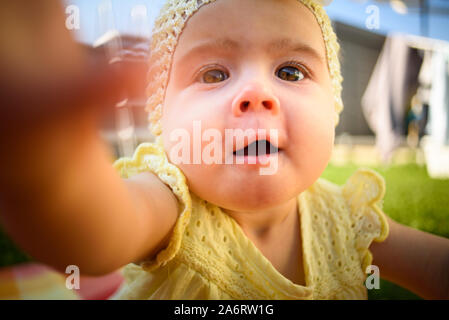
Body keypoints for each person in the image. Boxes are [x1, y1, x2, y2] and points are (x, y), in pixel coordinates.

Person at [0, 0, 448, 300]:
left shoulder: (349, 220)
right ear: (163, 120)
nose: (256, 92)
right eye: (214, 74)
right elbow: (91, 233)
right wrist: (45, 158)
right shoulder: (170, 206)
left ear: (334, 106)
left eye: (291, 72)